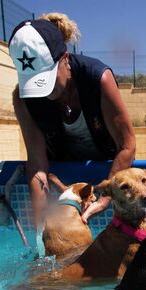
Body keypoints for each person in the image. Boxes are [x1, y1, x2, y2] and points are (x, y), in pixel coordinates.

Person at [8, 13, 136, 229]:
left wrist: (105, 199)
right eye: (34, 82)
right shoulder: (23, 99)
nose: (43, 92)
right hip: (64, 171)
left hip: (105, 168)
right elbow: (37, 164)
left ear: (65, 58)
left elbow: (127, 145)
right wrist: (41, 235)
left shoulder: (98, 79)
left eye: (46, 79)